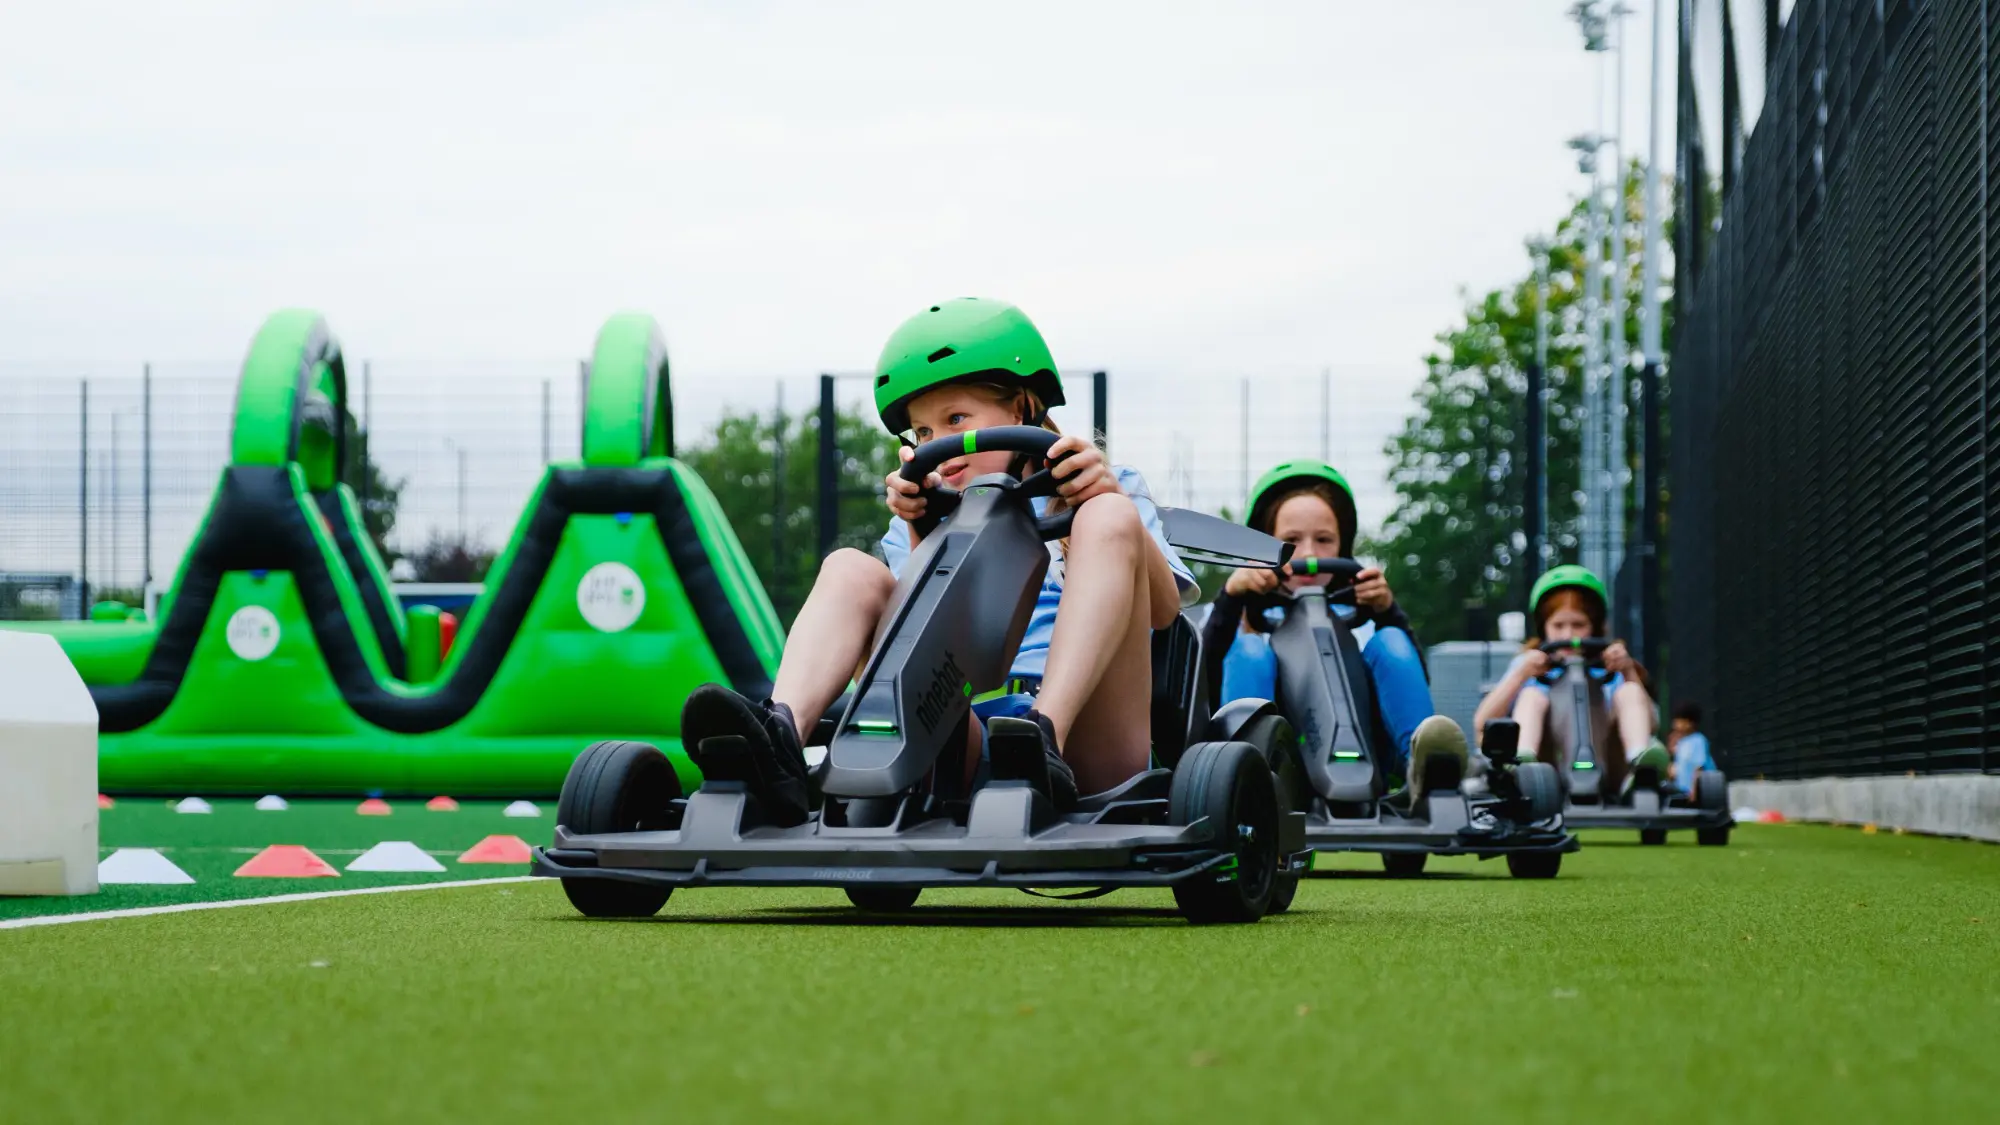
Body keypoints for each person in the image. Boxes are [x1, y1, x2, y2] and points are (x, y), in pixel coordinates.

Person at [678, 298, 1195, 823]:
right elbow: (907, 653)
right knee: (849, 568)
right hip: (959, 731)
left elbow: (1163, 612)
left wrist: (1103, 498)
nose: (939, 446)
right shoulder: (930, 511)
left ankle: (1043, 738)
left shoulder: (1112, 489)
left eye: (956, 419)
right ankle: (780, 743)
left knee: (1107, 517)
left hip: (1087, 743)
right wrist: (919, 528)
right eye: (924, 433)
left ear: (1020, 410)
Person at [1200, 459, 1467, 800]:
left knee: (1391, 640)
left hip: (1368, 749)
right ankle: (1249, 780)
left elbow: (1412, 680)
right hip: (1282, 761)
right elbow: (1202, 685)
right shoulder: (1238, 617)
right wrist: (1231, 598)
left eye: (1324, 539)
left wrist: (1388, 613)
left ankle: (1424, 769)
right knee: (1249, 649)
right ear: (1267, 545)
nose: (1309, 553)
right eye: (1292, 540)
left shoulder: (1362, 617)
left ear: (1343, 545)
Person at [1472, 564, 1667, 791]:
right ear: (1543, 627)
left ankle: (1641, 767)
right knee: (1532, 696)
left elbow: (1652, 724)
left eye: (1578, 625)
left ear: (1594, 627)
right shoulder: (1528, 665)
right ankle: (1524, 767)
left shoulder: (1609, 667)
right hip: (1547, 769)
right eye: (1558, 625)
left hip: (1608, 761)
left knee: (1630, 691)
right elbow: (1481, 723)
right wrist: (1521, 674)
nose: (1568, 635)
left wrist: (1627, 671)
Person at [1668, 701, 1715, 794]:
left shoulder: (1698, 741)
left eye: (1679, 721)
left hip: (1699, 793)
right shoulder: (1681, 743)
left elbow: (1698, 768)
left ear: (1690, 723)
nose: (1675, 724)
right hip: (1683, 792)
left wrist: (1694, 791)